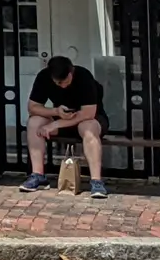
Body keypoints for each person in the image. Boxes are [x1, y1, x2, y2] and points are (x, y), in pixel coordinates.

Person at [21, 55, 109, 198]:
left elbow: (88, 112)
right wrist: (55, 112)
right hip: (62, 116)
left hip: (88, 118)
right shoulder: (44, 77)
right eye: (58, 83)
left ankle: (96, 181)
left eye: (65, 81)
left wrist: (55, 123)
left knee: (88, 128)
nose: (62, 85)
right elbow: (33, 107)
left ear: (71, 72)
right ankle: (37, 174)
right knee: (34, 122)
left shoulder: (84, 76)